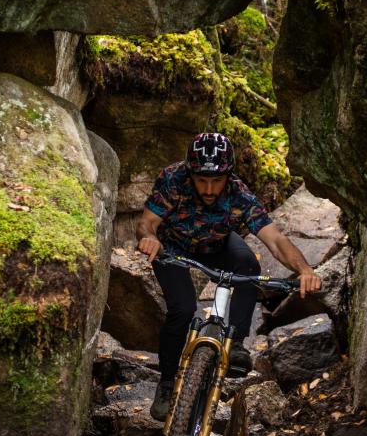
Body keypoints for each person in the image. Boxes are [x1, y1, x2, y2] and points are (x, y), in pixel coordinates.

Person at [137, 132, 322, 421]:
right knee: (183, 309)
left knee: (249, 268)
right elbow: (147, 223)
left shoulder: (240, 194)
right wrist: (150, 239)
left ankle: (235, 343)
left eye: (217, 181)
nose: (209, 189)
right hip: (172, 247)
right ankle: (166, 383)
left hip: (217, 244)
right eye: (202, 180)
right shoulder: (172, 179)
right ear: (190, 173)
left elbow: (274, 240)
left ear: (229, 175)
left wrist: (305, 269)